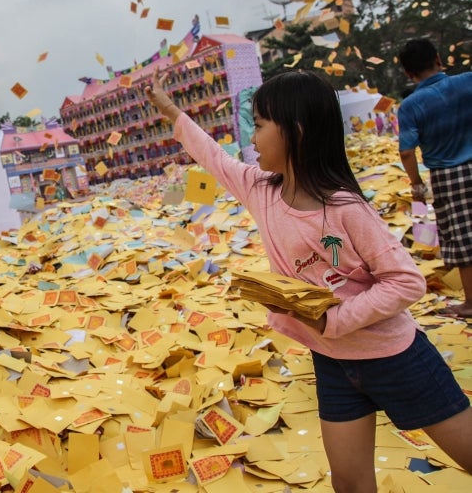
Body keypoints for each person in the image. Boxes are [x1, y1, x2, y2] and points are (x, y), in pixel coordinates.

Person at [145, 69, 472, 492]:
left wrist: (332, 321)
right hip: (333, 362)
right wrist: (170, 110)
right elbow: (213, 157)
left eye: (260, 125)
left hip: (395, 358)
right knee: (350, 484)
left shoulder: (344, 208)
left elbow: (406, 282)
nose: (252, 137)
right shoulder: (260, 190)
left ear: (295, 131)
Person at [397, 38, 472, 318]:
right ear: (439, 59)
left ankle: (470, 302)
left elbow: (406, 151)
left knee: (464, 236)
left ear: (408, 73)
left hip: (448, 175)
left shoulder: (411, 105)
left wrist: (417, 185)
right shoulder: (467, 82)